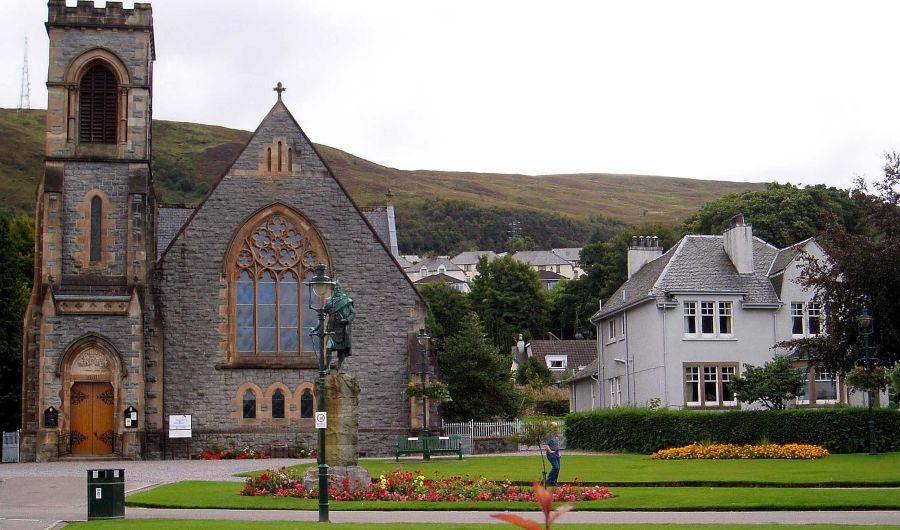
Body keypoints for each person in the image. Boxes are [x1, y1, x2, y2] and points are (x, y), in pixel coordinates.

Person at [543, 421, 561, 486]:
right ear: (550, 427)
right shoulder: (548, 435)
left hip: (557, 452)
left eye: (556, 427)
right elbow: (546, 445)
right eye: (554, 426)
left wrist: (559, 453)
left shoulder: (556, 435)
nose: (556, 428)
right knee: (556, 467)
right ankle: (549, 481)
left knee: (558, 468)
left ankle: (554, 482)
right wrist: (550, 451)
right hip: (551, 453)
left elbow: (557, 444)